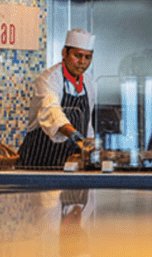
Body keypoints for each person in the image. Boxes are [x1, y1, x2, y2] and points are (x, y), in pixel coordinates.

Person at [18, 29, 96, 168]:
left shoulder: (88, 83)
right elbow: (52, 111)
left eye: (88, 57)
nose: (82, 62)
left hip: (68, 165)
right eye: (77, 55)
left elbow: (87, 122)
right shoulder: (49, 79)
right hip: (37, 162)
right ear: (64, 53)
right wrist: (73, 134)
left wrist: (90, 146)